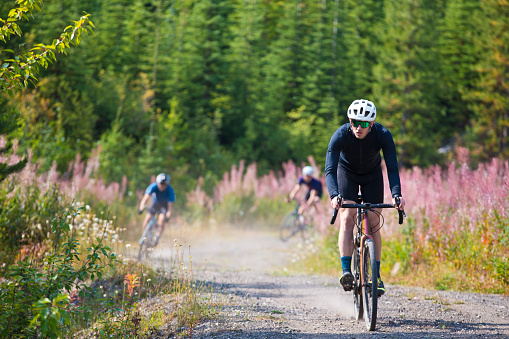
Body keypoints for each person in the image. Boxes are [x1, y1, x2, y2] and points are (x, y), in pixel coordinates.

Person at [324, 99, 405, 296]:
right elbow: (329, 169)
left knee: (374, 221)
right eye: (355, 122)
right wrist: (334, 195)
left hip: (372, 176)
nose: (359, 128)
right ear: (349, 121)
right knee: (347, 217)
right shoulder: (341, 135)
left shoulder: (383, 135)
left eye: (364, 124)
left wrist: (397, 195)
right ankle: (346, 271)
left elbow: (392, 168)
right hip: (347, 174)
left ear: (372, 124)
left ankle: (375, 276)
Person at [138, 173, 176, 247]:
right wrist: (141, 207)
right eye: (161, 184)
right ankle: (144, 236)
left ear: (167, 184)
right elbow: (145, 198)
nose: (162, 186)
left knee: (161, 220)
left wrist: (168, 215)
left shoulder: (170, 190)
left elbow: (170, 206)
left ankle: (157, 238)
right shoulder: (153, 186)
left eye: (164, 184)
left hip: (164, 206)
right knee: (147, 219)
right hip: (155, 204)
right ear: (158, 183)